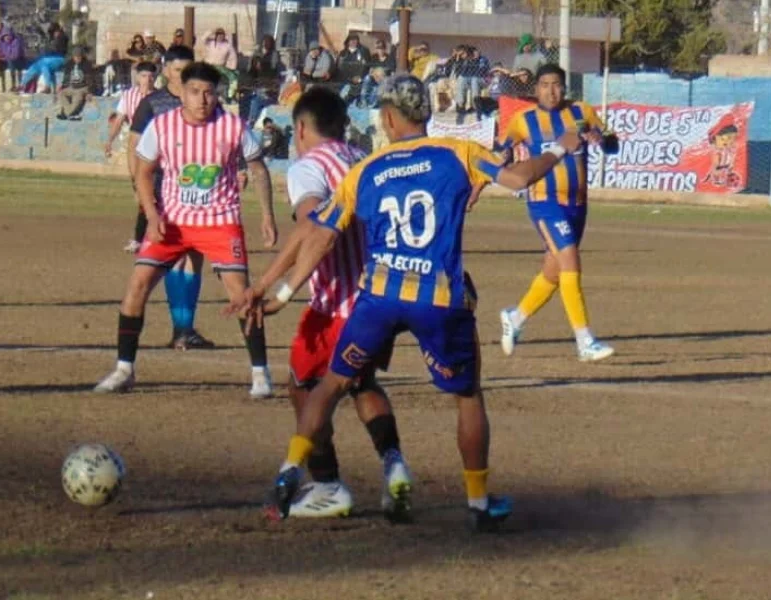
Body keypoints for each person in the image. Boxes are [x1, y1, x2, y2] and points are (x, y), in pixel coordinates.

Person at [231, 74, 580, 530]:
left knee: (331, 386)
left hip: (377, 297)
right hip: (438, 298)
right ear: (426, 114)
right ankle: (478, 504)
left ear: (388, 118)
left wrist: (280, 292)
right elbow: (516, 179)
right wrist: (559, 148)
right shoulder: (459, 153)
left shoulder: (367, 169)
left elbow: (319, 233)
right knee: (468, 396)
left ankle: (286, 477)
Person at [251, 87, 413, 519]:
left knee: (303, 386)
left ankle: (327, 485)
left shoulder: (307, 168)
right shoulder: (365, 159)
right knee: (362, 384)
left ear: (300, 127)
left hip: (335, 305)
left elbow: (312, 227)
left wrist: (278, 288)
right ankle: (395, 466)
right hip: (380, 298)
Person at [95, 61, 278, 398]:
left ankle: (260, 374)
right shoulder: (162, 126)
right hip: (174, 223)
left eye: (209, 92)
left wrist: (267, 215)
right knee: (136, 286)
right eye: (195, 92)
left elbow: (257, 168)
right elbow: (144, 172)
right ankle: (124, 369)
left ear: (217, 94)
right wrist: (152, 215)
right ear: (182, 93)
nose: (202, 99)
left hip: (220, 222)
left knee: (241, 295)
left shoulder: (233, 126)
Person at [498, 64, 616, 362]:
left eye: (556, 84)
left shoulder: (582, 112)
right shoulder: (523, 120)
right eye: (545, 84)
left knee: (554, 270)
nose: (551, 90)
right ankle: (584, 340)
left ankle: (516, 318)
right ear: (535, 89)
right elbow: (501, 151)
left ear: (565, 87)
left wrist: (599, 139)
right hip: (543, 202)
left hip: (577, 204)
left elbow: (612, 142)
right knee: (570, 258)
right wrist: (503, 159)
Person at [117, 45, 215, 351]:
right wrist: (138, 186)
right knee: (173, 258)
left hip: (197, 192)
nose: (182, 76)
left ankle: (185, 327)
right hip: (161, 192)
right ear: (166, 69)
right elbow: (135, 146)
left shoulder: (205, 104)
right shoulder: (153, 104)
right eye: (177, 70)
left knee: (193, 259)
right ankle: (181, 327)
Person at [105, 61, 157, 252]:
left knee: (150, 192)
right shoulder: (128, 96)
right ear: (137, 77)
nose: (148, 80)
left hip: (156, 149)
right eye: (144, 76)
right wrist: (110, 140)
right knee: (139, 191)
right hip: (135, 147)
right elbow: (119, 119)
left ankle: (141, 238)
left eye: (151, 76)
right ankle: (144, 236)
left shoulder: (159, 97)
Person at [17, 20, 68, 93]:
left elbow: (57, 49)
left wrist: (49, 47)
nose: (53, 34)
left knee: (44, 64)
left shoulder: (62, 37)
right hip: (50, 58)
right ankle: (22, 85)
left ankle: (47, 86)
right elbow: (48, 48)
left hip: (59, 58)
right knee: (36, 65)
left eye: (54, 32)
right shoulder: (52, 38)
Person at [245, 34, 281, 127]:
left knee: (255, 101)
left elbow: (273, 69)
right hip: (259, 87)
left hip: (269, 91)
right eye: (264, 42)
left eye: (268, 42)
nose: (265, 45)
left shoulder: (274, 55)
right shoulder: (258, 55)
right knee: (249, 98)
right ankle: (248, 120)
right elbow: (250, 72)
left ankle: (251, 122)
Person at [57, 46, 94, 120]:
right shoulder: (70, 64)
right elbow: (66, 77)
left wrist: (90, 92)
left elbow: (90, 79)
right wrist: (63, 87)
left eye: (79, 57)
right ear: (73, 57)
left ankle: (66, 114)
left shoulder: (87, 64)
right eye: (75, 57)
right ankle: (71, 114)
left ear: (82, 56)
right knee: (61, 93)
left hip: (82, 88)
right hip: (72, 87)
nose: (77, 59)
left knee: (77, 99)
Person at [202, 28, 238, 100]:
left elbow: (233, 57)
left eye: (221, 34)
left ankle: (229, 97)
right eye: (218, 34)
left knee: (234, 78)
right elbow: (203, 38)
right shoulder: (210, 43)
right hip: (208, 66)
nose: (220, 36)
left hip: (221, 67)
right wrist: (212, 31)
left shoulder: (227, 45)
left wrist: (231, 68)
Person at [359, 39, 395, 108]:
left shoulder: (389, 58)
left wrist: (383, 77)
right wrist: (375, 74)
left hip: (384, 81)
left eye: (382, 48)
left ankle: (372, 105)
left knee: (377, 89)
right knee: (367, 78)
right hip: (374, 77)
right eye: (378, 48)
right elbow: (371, 70)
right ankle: (363, 101)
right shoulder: (374, 57)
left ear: (385, 49)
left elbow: (392, 73)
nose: (380, 50)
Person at [336, 33, 370, 105]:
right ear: (348, 41)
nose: (353, 42)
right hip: (345, 79)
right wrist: (349, 78)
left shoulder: (363, 51)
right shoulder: (343, 53)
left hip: (359, 79)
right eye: (351, 40)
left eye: (355, 40)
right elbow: (340, 68)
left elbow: (366, 66)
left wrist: (359, 77)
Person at [0, 25, 25, 92]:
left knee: (13, 66)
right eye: (5, 36)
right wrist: (1, 57)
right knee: (0, 65)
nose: (7, 37)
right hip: (7, 60)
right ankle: (2, 85)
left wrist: (6, 57)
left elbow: (15, 54)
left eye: (8, 36)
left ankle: (18, 85)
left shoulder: (16, 41)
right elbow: (0, 53)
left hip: (18, 60)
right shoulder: (2, 43)